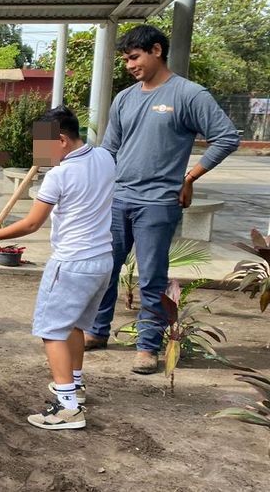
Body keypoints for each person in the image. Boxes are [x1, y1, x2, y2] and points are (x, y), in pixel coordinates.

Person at [86, 25, 240, 374]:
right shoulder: (124, 98)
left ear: (156, 50)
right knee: (104, 269)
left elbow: (226, 137)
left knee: (152, 276)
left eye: (134, 57)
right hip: (118, 198)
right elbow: (109, 150)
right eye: (125, 59)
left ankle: (147, 346)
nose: (129, 65)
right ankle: (97, 331)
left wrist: (190, 177)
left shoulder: (189, 94)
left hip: (158, 201)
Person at [0, 106, 115, 430]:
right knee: (75, 326)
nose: (38, 153)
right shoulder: (105, 158)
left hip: (71, 264)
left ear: (62, 140)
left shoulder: (60, 175)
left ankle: (67, 407)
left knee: (52, 331)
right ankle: (75, 387)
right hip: (101, 262)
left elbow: (31, 224)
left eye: (42, 145)